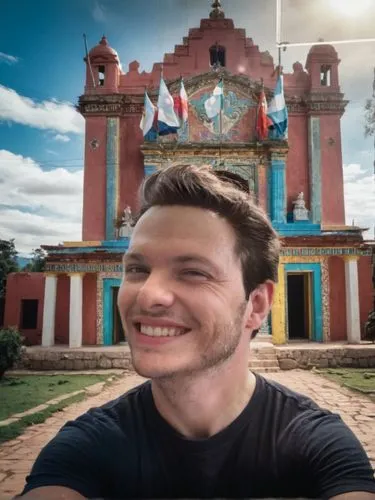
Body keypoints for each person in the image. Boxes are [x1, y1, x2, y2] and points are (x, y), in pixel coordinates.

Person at [20, 164, 375, 499]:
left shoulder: (319, 444)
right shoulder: (84, 446)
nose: (148, 294)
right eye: (137, 269)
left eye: (193, 272)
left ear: (256, 305)